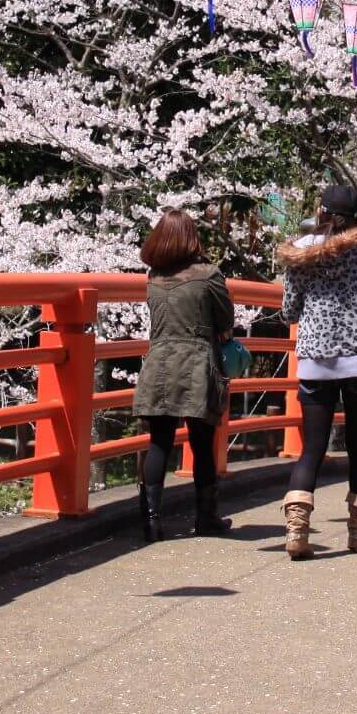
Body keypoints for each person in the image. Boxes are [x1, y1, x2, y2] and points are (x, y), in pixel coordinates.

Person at [277, 183, 357, 559]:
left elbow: (289, 310)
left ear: (322, 211)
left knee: (311, 447)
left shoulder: (303, 252)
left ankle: (297, 530)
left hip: (315, 357)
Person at [131, 209, 235, 541]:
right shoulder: (208, 275)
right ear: (191, 238)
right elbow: (226, 318)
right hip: (196, 363)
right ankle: (206, 518)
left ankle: (150, 521)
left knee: (159, 441)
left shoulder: (153, 278)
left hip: (159, 361)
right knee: (202, 444)